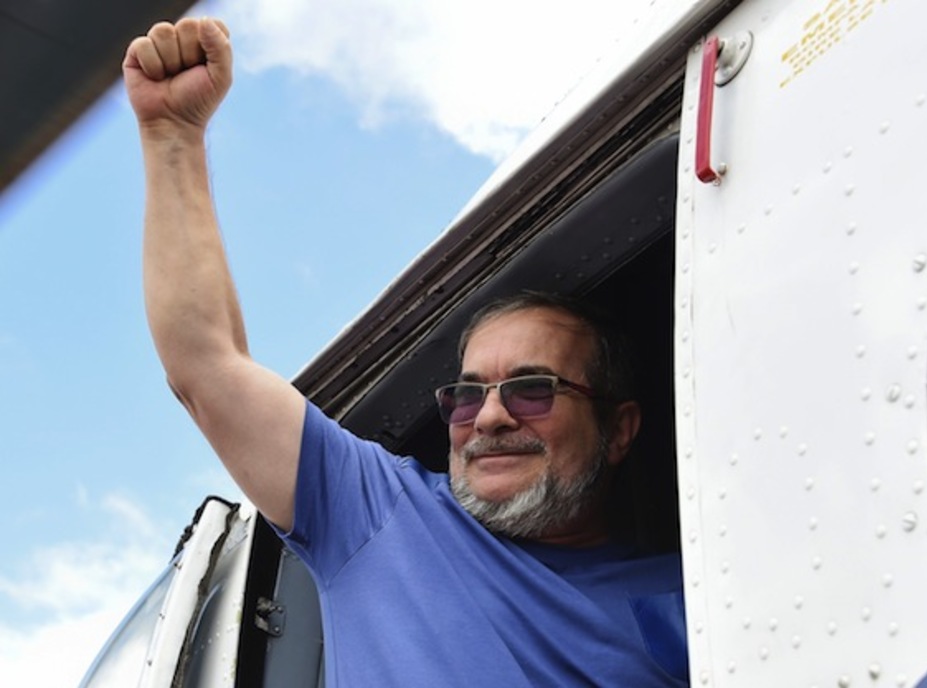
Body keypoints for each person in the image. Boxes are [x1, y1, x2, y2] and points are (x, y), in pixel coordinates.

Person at [123, 17, 688, 687]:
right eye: (467, 394)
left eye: (532, 388)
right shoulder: (375, 510)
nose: (490, 418)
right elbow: (203, 363)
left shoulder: (696, 599)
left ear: (619, 430)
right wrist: (172, 137)